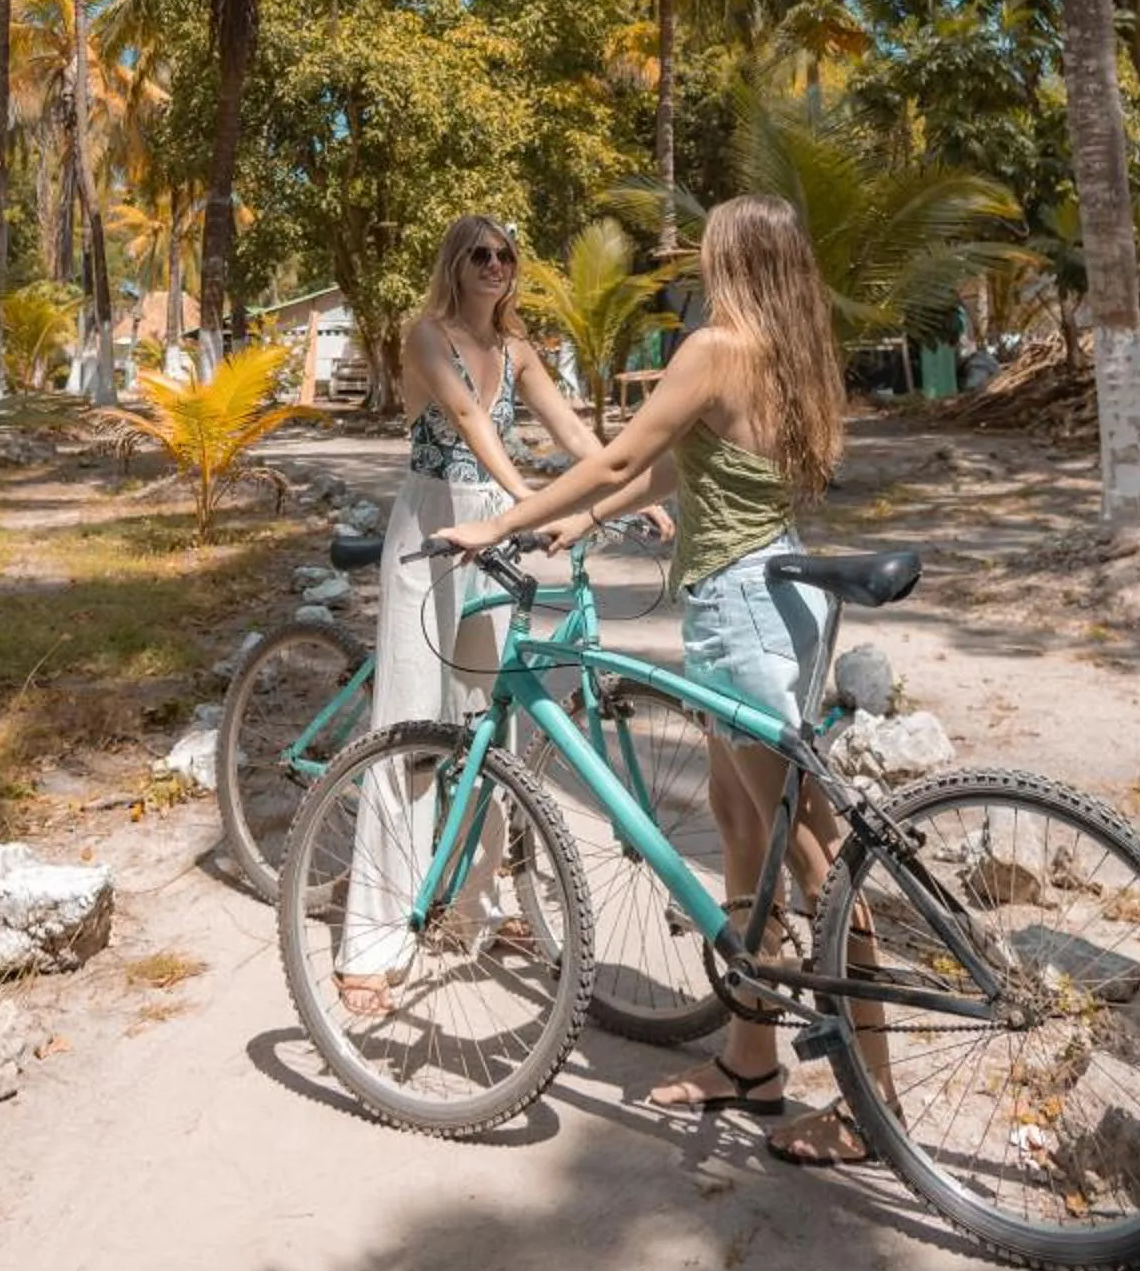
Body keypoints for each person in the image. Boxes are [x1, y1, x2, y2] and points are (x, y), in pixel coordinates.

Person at [434, 190, 884, 1165]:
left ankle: (868, 1107)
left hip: (741, 612)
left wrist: (500, 523)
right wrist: (580, 523)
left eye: (707, 252)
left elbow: (623, 455)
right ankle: (750, 1059)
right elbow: (677, 468)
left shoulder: (713, 350)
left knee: (812, 856)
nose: (695, 268)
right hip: (775, 593)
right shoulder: (778, 353)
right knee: (739, 829)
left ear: (732, 261)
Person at [335, 212, 645, 1015]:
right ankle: (371, 936)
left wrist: (629, 494)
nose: (495, 264)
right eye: (480, 253)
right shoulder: (425, 335)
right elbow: (471, 426)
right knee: (408, 726)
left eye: (507, 254)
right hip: (439, 524)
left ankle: (475, 904)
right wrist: (527, 505)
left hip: (495, 529)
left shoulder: (519, 351)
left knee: (490, 724)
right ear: (455, 263)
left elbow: (575, 431)